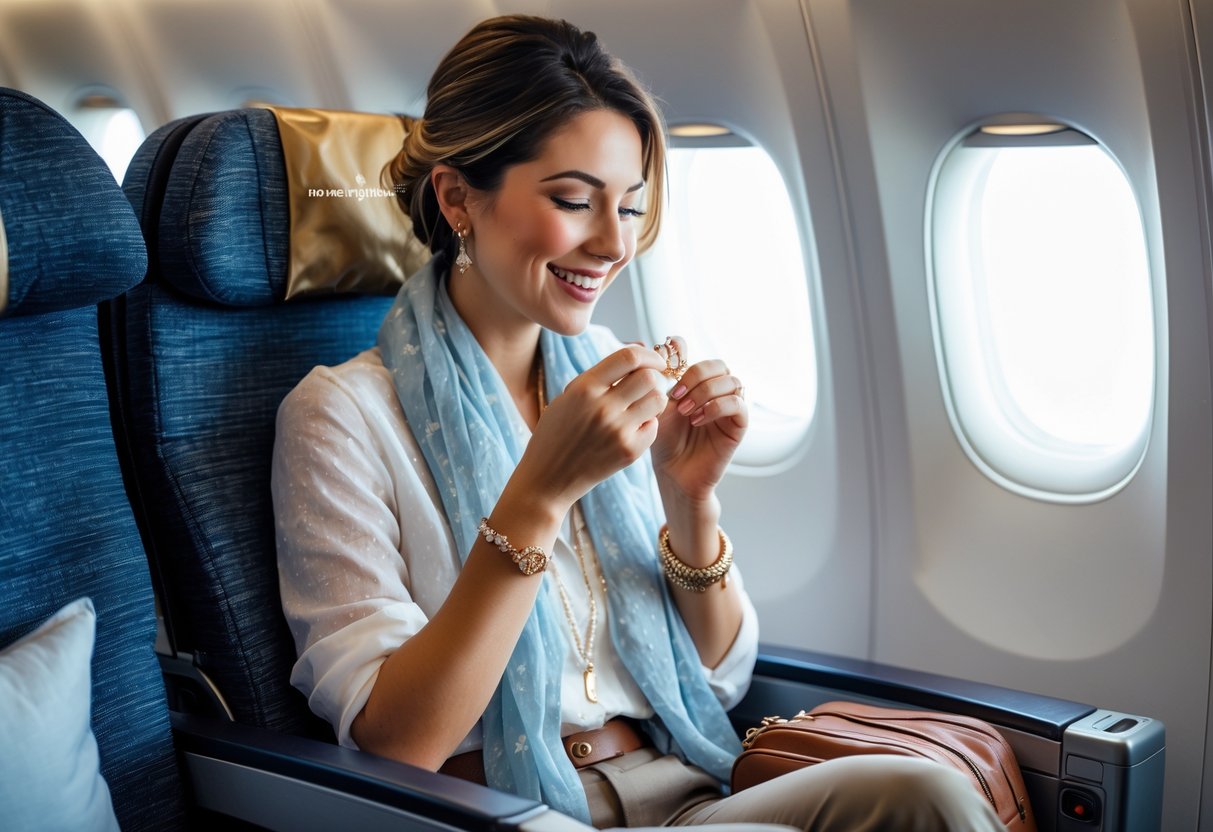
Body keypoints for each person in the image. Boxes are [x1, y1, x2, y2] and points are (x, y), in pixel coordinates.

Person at [272, 14, 1004, 831]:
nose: (610, 244)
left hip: (676, 779)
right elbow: (397, 744)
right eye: (574, 201)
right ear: (456, 198)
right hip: (512, 806)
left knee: (926, 792)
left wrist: (690, 500)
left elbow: (718, 679)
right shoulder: (341, 416)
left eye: (629, 208)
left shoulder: (608, 377)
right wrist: (539, 494)